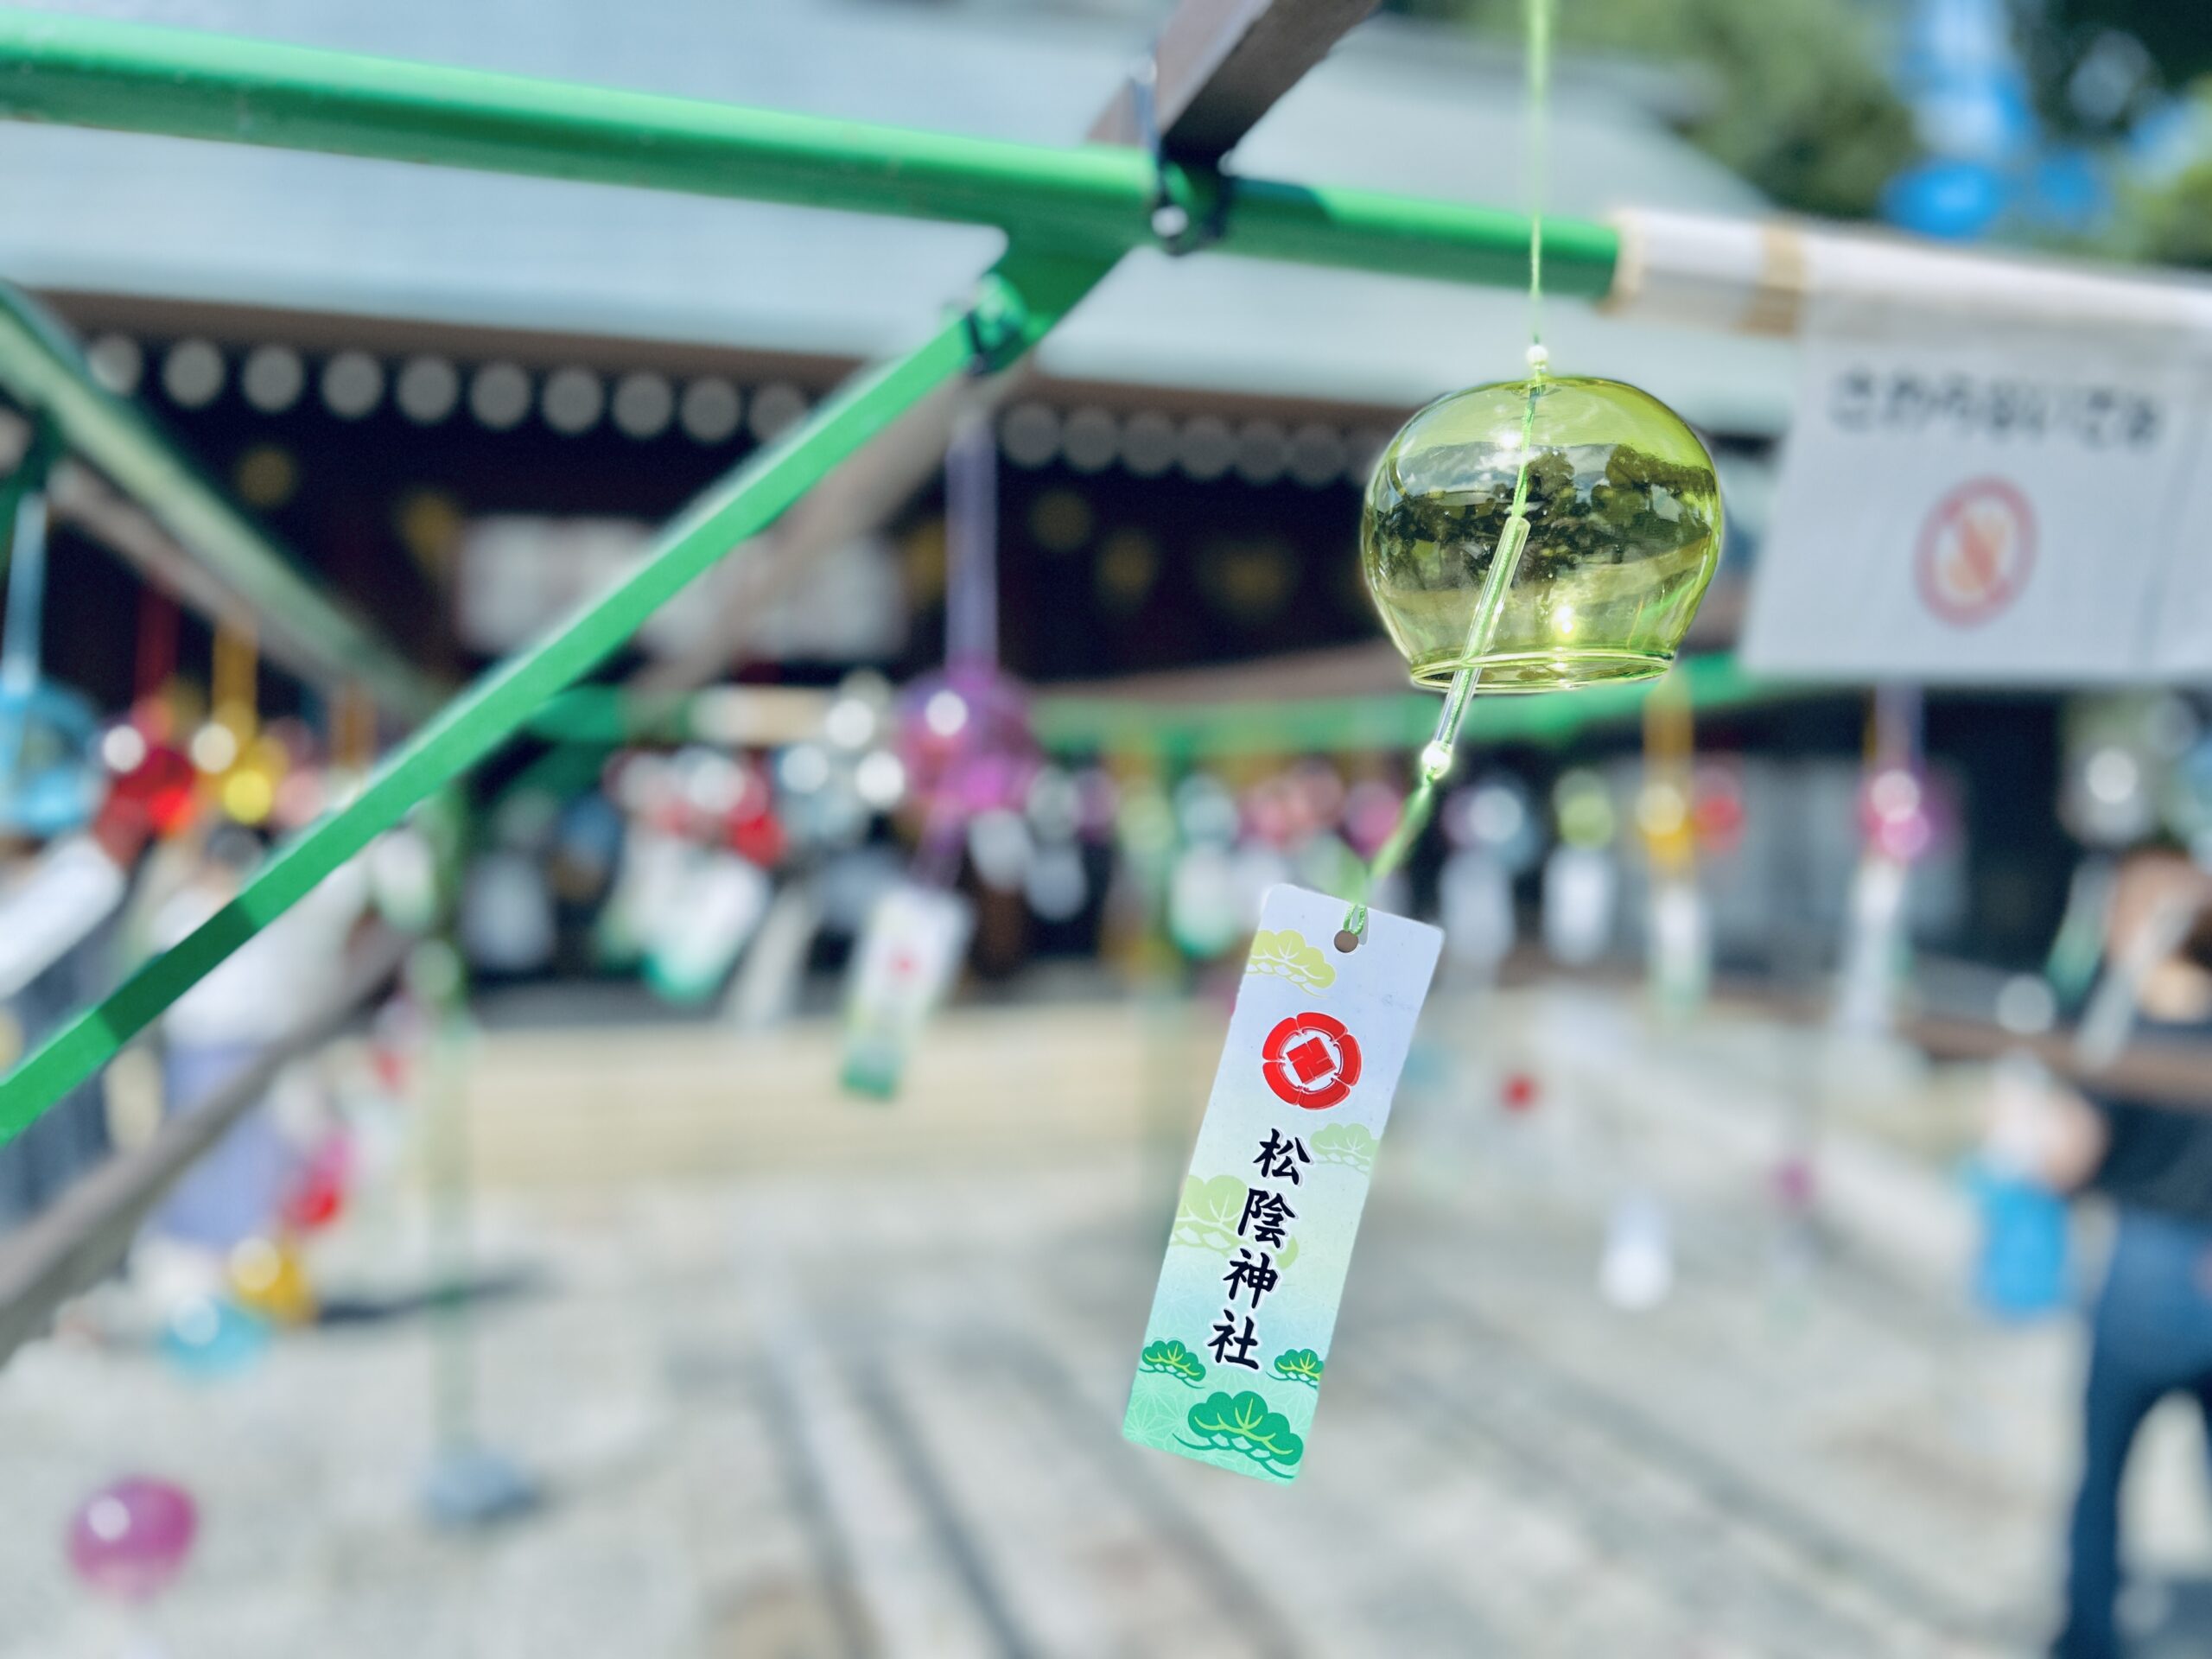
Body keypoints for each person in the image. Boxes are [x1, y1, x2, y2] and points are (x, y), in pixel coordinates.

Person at [2044, 850, 2212, 1659]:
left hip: (2140, 1274)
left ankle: (2089, 1637)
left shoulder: (2127, 1041)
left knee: (2101, 1481)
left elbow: (2064, 1159)